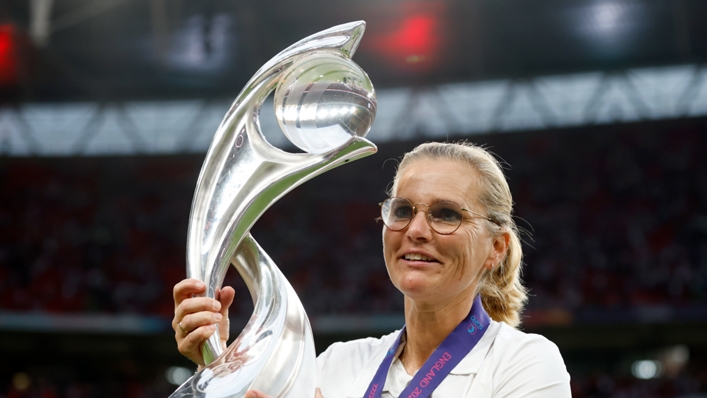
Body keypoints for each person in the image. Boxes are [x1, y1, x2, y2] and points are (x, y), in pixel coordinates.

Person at [173, 141, 571, 397]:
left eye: (446, 214)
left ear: (496, 248)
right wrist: (219, 362)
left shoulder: (526, 364)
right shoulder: (335, 364)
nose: (416, 230)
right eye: (402, 210)